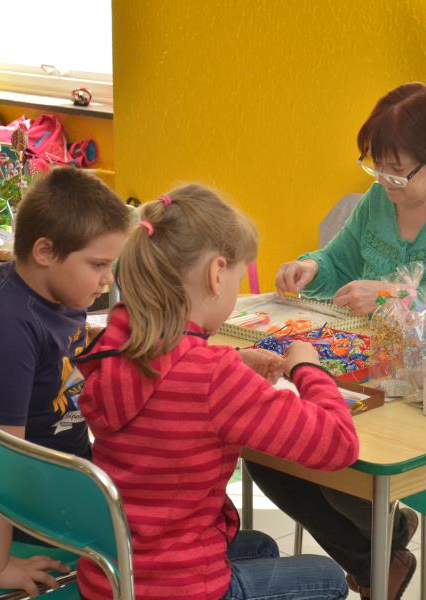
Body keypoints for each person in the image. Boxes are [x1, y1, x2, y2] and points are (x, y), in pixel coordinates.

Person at [249, 82, 426, 600]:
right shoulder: (378, 199)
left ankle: (379, 556)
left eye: (398, 170)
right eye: (377, 167)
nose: (385, 181)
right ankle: (379, 560)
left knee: (335, 462)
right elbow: (338, 261)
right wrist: (308, 267)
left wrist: (392, 294)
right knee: (267, 452)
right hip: (365, 371)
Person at [74, 184, 359, 600]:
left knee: (260, 547)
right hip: (179, 587)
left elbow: (171, 372)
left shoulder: (119, 338)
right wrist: (308, 368)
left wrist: (235, 360)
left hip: (110, 576)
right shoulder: (213, 377)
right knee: (328, 578)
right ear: (216, 274)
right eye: (239, 278)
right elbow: (339, 444)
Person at [0, 168, 132, 595]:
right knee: (196, 537)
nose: (108, 279)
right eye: (98, 265)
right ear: (45, 251)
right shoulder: (3, 330)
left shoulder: (56, 292)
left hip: (66, 482)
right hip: (32, 513)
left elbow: (67, 349)